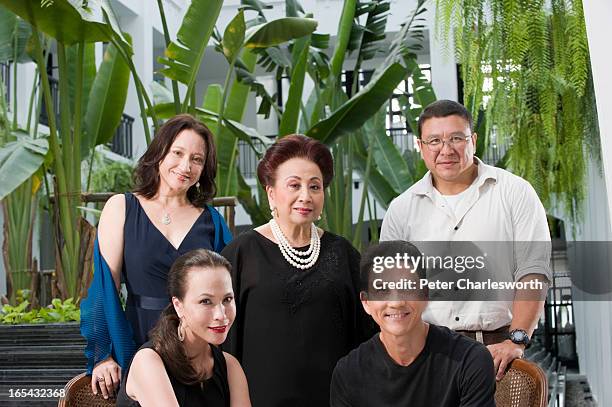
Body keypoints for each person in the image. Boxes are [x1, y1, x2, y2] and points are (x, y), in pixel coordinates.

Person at [380, 100, 551, 380]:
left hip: (498, 355)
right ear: (421, 147)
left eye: (456, 138)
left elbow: (534, 273)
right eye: (434, 140)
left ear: (472, 140)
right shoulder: (401, 210)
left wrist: (516, 341)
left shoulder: (514, 193)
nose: (445, 150)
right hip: (426, 357)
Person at [80, 114, 232, 399]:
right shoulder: (122, 208)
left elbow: (228, 290)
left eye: (197, 159)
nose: (186, 166)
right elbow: (104, 286)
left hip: (198, 344)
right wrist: (103, 354)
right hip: (139, 338)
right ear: (159, 152)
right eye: (178, 153)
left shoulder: (212, 220)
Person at [221, 135, 371, 406]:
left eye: (315, 186)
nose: (306, 196)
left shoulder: (342, 253)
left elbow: (368, 330)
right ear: (271, 193)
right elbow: (220, 339)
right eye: (294, 185)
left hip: (334, 399)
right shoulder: (241, 253)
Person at [330, 241, 496, 407]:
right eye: (382, 290)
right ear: (366, 302)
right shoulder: (348, 373)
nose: (396, 302)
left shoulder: (470, 360)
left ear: (425, 294)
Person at [116, 249, 250, 406]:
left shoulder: (230, 366)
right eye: (206, 301)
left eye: (227, 299)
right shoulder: (149, 362)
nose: (221, 315)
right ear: (178, 306)